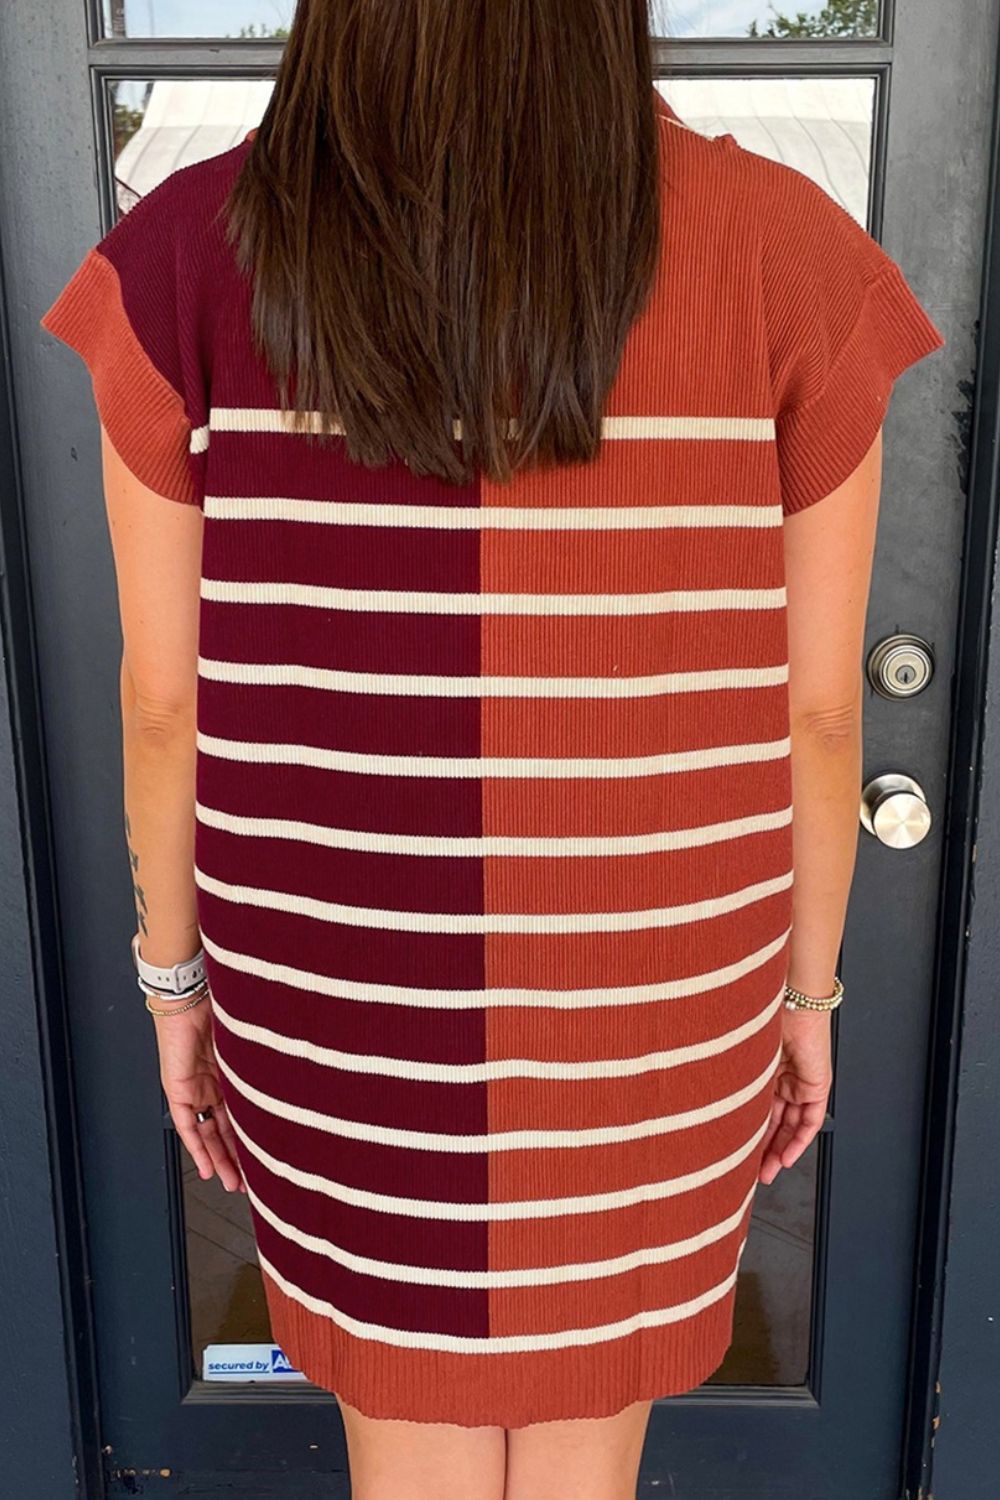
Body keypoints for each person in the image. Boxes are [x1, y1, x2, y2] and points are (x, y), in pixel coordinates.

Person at [39, 1, 944, 1495]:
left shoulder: (190, 252)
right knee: (590, 1452)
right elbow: (820, 712)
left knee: (405, 1452)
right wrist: (805, 994)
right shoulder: (784, 250)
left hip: (339, 992)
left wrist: (177, 985)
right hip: (655, 997)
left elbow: (162, 702)